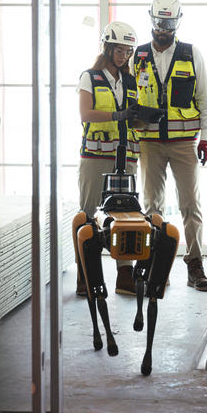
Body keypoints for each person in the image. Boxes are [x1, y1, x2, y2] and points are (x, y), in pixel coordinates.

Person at [129, 0, 207, 291]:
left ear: (177, 22)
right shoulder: (137, 56)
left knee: (191, 204)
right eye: (158, 21)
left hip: (184, 144)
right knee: (153, 204)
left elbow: (205, 100)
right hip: (150, 143)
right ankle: (155, 264)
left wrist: (206, 139)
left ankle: (195, 265)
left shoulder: (192, 54)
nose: (163, 27)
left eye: (168, 22)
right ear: (151, 19)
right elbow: (129, 102)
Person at [76, 21, 141, 296]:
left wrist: (146, 119)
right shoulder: (90, 76)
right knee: (89, 215)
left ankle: (124, 274)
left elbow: (132, 119)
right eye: (119, 49)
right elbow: (85, 114)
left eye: (127, 51)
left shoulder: (129, 80)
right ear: (108, 47)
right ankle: (86, 276)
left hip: (125, 157)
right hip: (95, 156)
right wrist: (117, 115)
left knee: (126, 215)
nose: (123, 55)